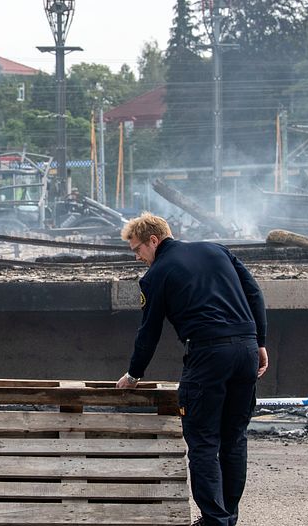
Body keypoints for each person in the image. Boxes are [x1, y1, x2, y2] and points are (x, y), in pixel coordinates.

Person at [115, 212, 269, 526]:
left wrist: (134, 373)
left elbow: (149, 330)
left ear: (153, 241)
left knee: (203, 440)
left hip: (209, 354)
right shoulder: (217, 250)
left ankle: (214, 520)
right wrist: (260, 342)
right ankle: (228, 517)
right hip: (247, 349)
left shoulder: (156, 274)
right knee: (235, 438)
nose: (138, 257)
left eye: (137, 250)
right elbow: (254, 293)